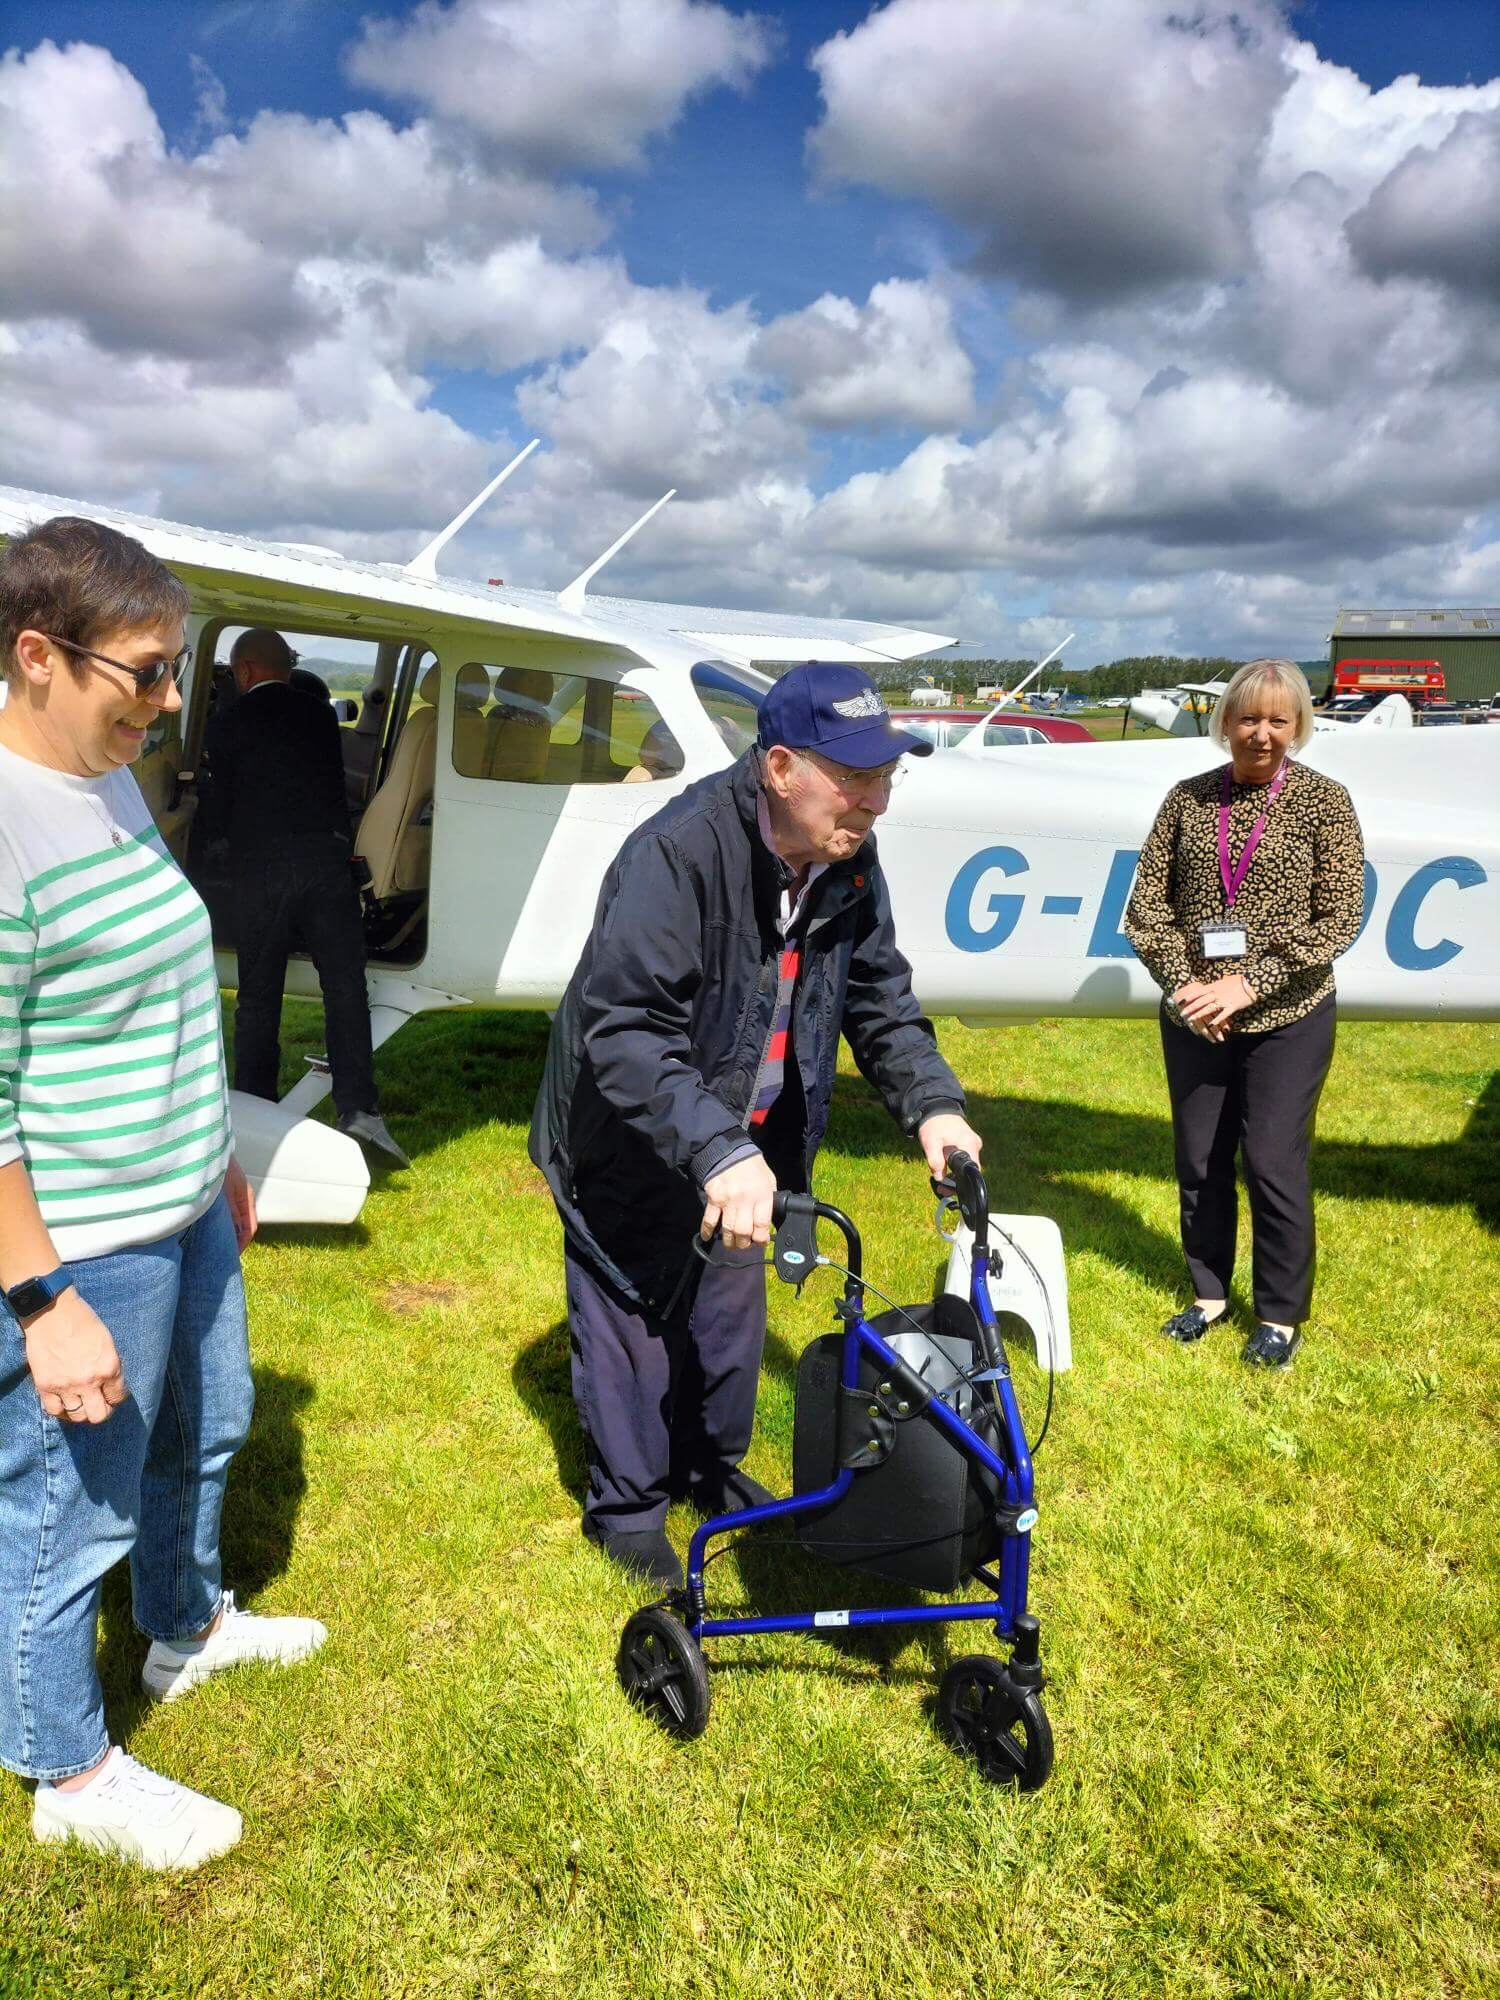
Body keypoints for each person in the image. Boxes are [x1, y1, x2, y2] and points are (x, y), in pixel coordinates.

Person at [0, 518, 327, 1868]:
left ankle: (181, 1630)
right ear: (36, 655)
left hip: (181, 1196)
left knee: (215, 1421)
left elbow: (163, 995)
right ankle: (65, 1771)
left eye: (177, 666)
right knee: (68, 1514)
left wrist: (222, 1162)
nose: (171, 697)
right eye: (143, 670)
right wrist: (41, 1299)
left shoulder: (104, 771)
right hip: (85, 1241)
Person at [529, 662, 984, 1588]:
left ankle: (707, 1466)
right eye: (855, 780)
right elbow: (626, 1028)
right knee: (633, 1313)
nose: (874, 803)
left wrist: (934, 1106)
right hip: (629, 1124)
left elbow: (878, 997)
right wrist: (715, 1146)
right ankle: (627, 1509)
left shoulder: (846, 858)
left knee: (729, 1309)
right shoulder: (679, 853)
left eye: (885, 779)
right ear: (780, 768)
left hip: (746, 1135)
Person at [1124, 658, 1365, 1369]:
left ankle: (1280, 1317)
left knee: (1270, 1162)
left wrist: (1248, 983)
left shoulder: (1325, 802)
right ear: (1225, 721)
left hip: (1289, 1014)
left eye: (1277, 720)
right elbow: (1146, 912)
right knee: (1199, 1160)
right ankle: (1207, 1295)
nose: (1261, 733)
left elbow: (1339, 918)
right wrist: (1187, 989)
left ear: (1298, 727)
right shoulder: (1186, 799)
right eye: (1248, 717)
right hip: (1197, 1016)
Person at [205, 626, 407, 1167]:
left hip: (262, 871)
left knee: (258, 995)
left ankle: (253, 1105)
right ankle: (359, 1110)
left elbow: (219, 803)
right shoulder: (320, 716)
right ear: (286, 667)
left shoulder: (227, 722)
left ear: (243, 671)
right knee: (345, 988)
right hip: (324, 865)